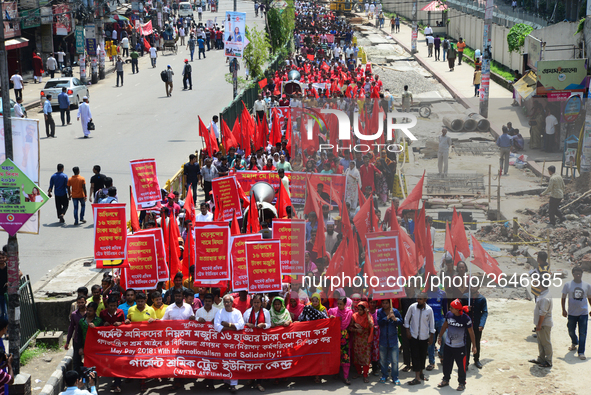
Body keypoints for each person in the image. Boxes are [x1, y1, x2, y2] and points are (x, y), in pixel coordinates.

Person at [437, 299, 477, 391]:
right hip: (448, 346)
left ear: (457, 309)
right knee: (446, 364)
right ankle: (445, 380)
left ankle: (462, 383)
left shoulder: (466, 319)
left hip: (460, 347)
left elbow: (471, 332)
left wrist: (474, 346)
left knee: (461, 366)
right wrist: (439, 337)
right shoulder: (449, 315)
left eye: (452, 308)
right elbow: (444, 326)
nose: (450, 309)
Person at [214, 295, 245, 392]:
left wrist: (228, 325)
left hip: (235, 342)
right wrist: (231, 328)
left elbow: (241, 325)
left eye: (228, 302)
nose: (226, 304)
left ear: (232, 303)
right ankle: (226, 382)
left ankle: (233, 384)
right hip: (223, 342)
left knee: (233, 362)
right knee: (225, 361)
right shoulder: (219, 312)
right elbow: (216, 326)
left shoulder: (237, 312)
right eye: (225, 302)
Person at [404, 293, 435, 385]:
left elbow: (432, 324)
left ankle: (421, 373)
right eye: (417, 299)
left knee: (422, 356)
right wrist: (407, 331)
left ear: (425, 300)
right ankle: (417, 377)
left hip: (424, 337)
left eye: (420, 299)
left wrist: (431, 336)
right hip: (413, 336)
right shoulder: (412, 307)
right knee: (415, 356)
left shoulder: (429, 310)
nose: (418, 300)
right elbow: (406, 319)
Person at [561, 266, 591, 360]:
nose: (578, 275)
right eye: (576, 273)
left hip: (583, 313)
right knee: (570, 330)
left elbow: (590, 298)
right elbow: (563, 297)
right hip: (572, 313)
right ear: (573, 274)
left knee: (583, 333)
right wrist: (563, 309)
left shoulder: (587, 285)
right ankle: (574, 342)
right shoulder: (568, 285)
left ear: (582, 274)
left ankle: (581, 352)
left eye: (580, 274)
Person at [328, 297, 353, 385]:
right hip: (335, 335)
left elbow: (351, 322)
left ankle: (346, 377)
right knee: (336, 355)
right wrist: (330, 317)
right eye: (338, 304)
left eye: (341, 304)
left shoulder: (349, 313)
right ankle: (336, 373)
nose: (339, 306)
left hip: (344, 336)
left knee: (345, 355)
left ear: (345, 304)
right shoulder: (333, 311)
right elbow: (328, 314)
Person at [528, 282, 553, 367]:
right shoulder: (543, 294)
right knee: (541, 342)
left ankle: (548, 361)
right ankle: (541, 359)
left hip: (544, 324)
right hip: (542, 323)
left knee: (545, 343)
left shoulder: (545, 298)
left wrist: (539, 325)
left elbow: (543, 313)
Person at [463, 285, 487, 369]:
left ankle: (476, 360)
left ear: (478, 287)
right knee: (467, 343)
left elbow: (484, 312)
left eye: (474, 287)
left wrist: (482, 324)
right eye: (471, 286)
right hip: (467, 325)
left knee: (476, 343)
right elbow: (458, 308)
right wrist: (465, 308)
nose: (472, 288)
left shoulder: (482, 299)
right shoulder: (465, 297)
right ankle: (466, 362)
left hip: (477, 325)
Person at [351, 301, 374, 383]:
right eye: (358, 309)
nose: (359, 311)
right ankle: (358, 372)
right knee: (356, 357)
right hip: (357, 340)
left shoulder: (369, 316)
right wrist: (356, 329)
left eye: (361, 310)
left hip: (365, 341)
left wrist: (367, 314)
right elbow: (349, 328)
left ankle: (365, 375)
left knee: (366, 358)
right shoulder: (354, 316)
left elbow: (371, 325)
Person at [65, 296, 86, 373]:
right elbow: (71, 328)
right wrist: (67, 342)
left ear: (85, 302)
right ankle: (77, 378)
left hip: (87, 340)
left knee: (88, 360)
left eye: (82, 302)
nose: (80, 304)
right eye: (79, 302)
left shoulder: (90, 313)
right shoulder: (74, 314)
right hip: (77, 340)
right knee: (76, 360)